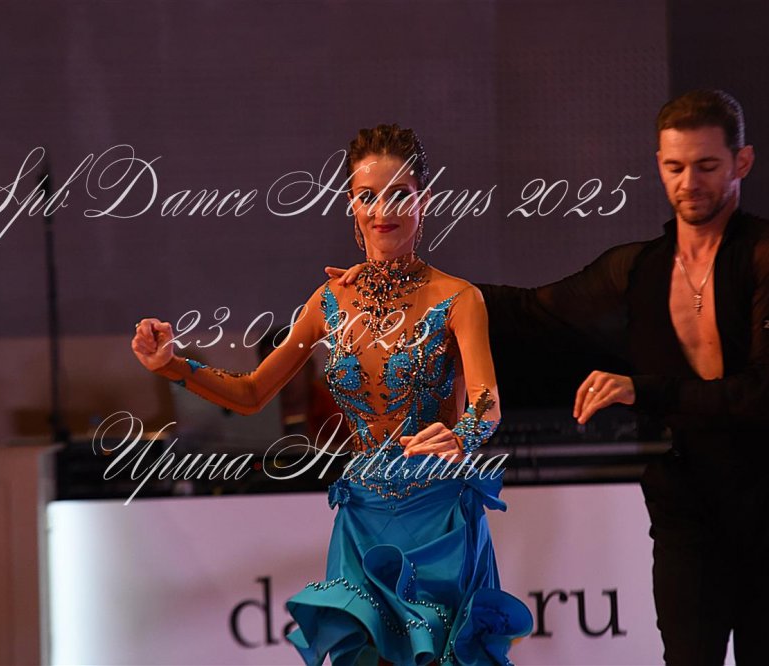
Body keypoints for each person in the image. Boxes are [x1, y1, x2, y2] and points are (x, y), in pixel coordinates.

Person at [331, 90, 769, 664]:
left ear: (741, 162)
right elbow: (530, 309)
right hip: (689, 504)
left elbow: (766, 395)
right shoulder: (640, 267)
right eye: (676, 167)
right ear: (659, 164)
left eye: (707, 166)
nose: (689, 182)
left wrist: (639, 388)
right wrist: (392, 284)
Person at [132, 125, 532, 665]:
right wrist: (171, 364)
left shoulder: (460, 299)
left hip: (438, 519)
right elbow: (252, 393)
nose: (383, 210)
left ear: (425, 200)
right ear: (351, 204)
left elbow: (487, 402)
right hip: (362, 519)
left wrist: (462, 434)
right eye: (368, 196)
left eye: (399, 194)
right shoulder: (329, 302)